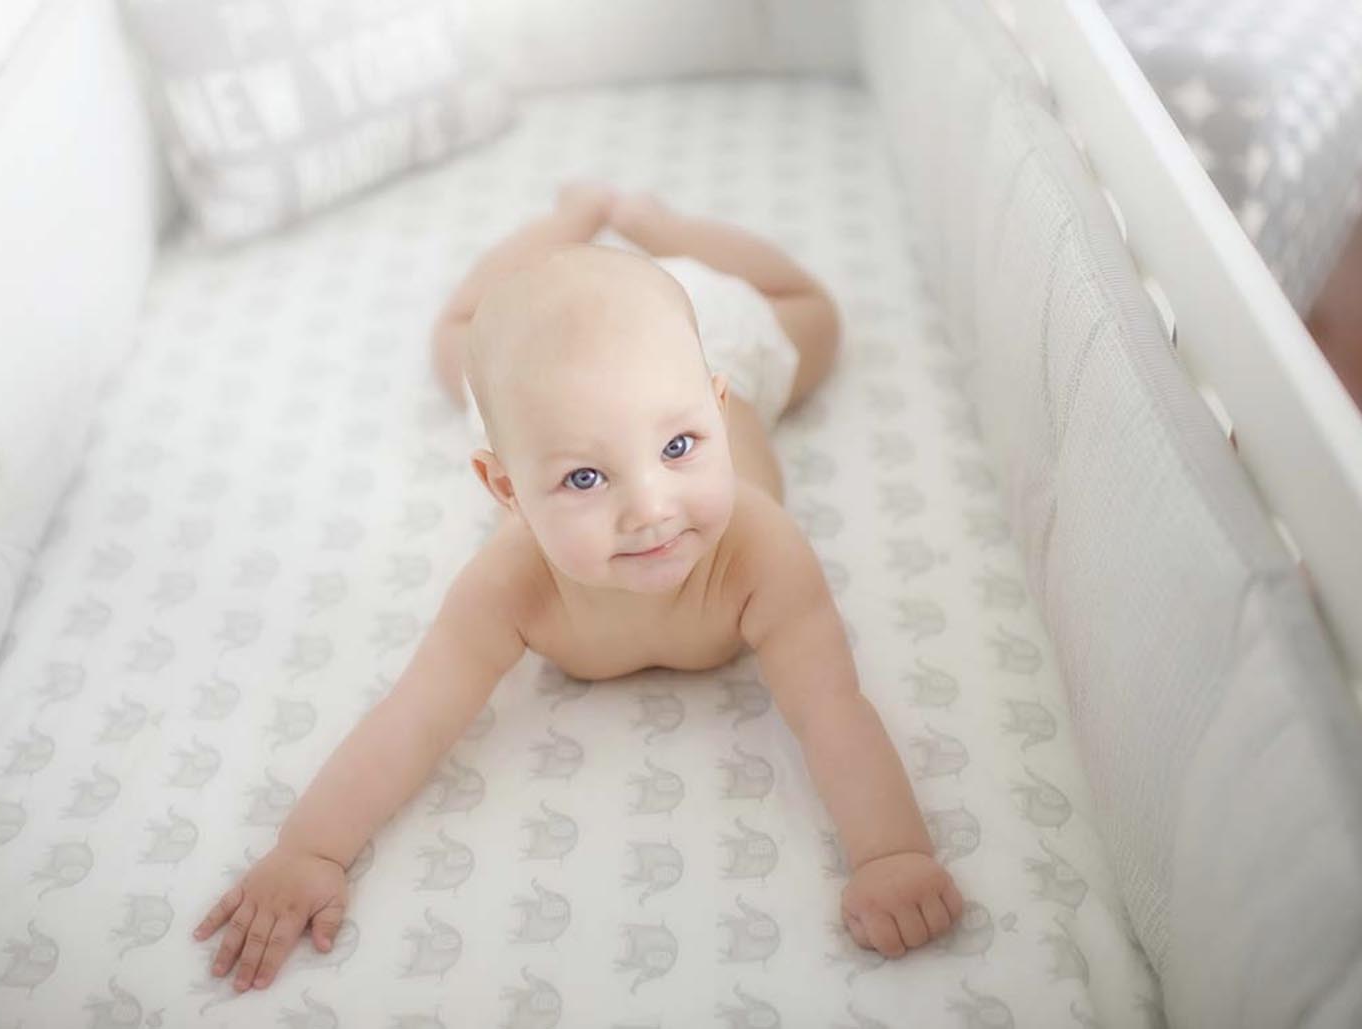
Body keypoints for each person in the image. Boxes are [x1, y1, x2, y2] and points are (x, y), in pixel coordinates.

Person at [192, 182, 964, 993]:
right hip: (542, 380)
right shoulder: (510, 583)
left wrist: (892, 852)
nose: (650, 510)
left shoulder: (761, 552)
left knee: (813, 315)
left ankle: (654, 223)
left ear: (716, 404)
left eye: (681, 446)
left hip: (704, 328)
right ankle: (565, 225)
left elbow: (832, 707)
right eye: (585, 478)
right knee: (455, 341)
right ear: (507, 491)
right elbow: (413, 715)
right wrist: (310, 849)